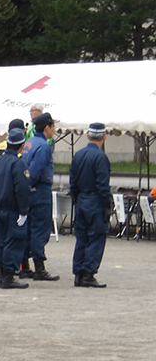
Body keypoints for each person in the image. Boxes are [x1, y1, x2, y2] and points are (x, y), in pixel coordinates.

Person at [69, 123, 111, 288]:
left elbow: (72, 181)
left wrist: (76, 198)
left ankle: (78, 272)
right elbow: (103, 184)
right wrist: (107, 204)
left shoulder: (78, 155)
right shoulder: (101, 157)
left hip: (81, 199)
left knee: (82, 237)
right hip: (95, 200)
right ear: (104, 137)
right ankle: (88, 273)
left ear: (88, 136)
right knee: (96, 237)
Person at [0, 127, 31, 289]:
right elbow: (22, 189)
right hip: (13, 210)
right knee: (14, 242)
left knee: (1, 242)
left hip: (0, 208)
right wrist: (24, 211)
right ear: (22, 145)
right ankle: (8, 276)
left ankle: (1, 275)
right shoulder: (19, 163)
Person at [21, 112, 60, 282]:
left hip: (29, 190)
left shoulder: (29, 143)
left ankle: (24, 266)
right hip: (40, 191)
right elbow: (35, 172)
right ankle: (39, 268)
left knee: (28, 229)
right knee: (40, 229)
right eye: (53, 126)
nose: (54, 129)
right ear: (47, 128)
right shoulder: (44, 146)